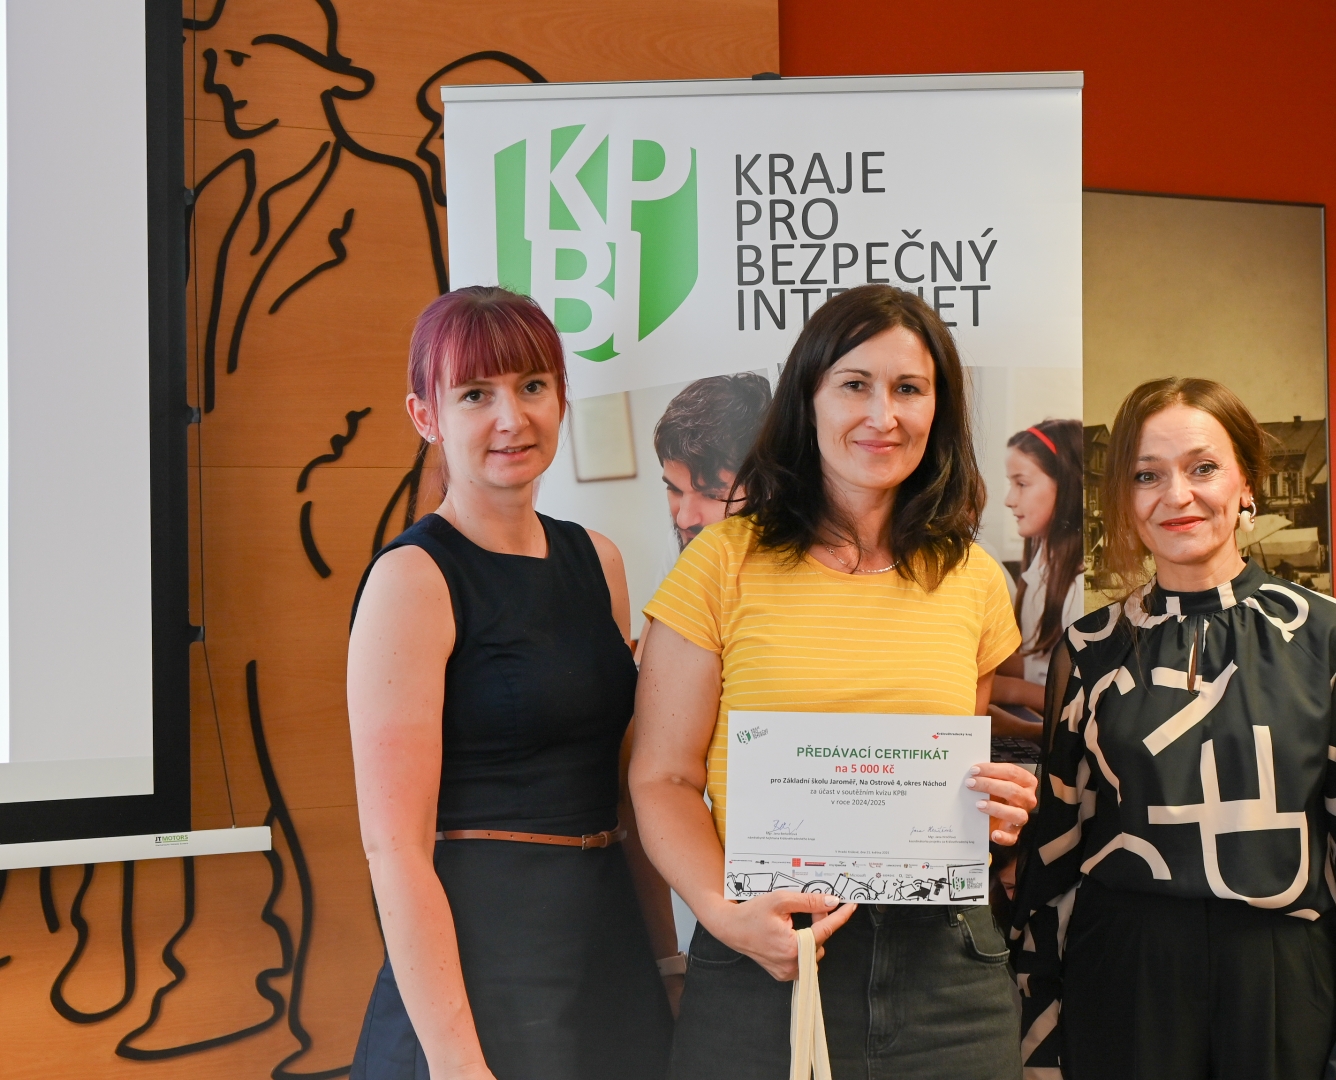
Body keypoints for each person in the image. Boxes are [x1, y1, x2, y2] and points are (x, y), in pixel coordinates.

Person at [629, 284, 1039, 1080]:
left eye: (909, 388)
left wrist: (995, 803)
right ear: (808, 399)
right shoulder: (721, 563)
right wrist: (724, 915)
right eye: (855, 384)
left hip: (947, 975)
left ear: (938, 410)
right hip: (764, 960)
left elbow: (958, 769)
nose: (883, 415)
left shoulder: (973, 578)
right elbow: (662, 777)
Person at [1013, 377, 1336, 1080]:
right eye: (1147, 475)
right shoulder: (1090, 649)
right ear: (1124, 498)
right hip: (1124, 981)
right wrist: (1041, 1035)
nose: (1177, 496)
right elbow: (1055, 851)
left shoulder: (1325, 636)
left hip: (1281, 979)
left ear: (1246, 483)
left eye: (1202, 467)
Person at [347, 287, 676, 1080]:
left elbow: (628, 788)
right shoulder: (412, 578)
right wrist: (456, 1061)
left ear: (561, 397)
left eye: (532, 386)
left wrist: (667, 963)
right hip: (481, 962)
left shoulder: (598, 560)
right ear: (425, 415)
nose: (512, 418)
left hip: (608, 946)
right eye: (474, 394)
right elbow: (394, 849)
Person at [990, 419, 1089, 746]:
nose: (1009, 499)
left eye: (1022, 484)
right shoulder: (1040, 569)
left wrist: (1013, 701)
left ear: (1067, 485)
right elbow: (1037, 664)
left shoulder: (1079, 589)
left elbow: (1089, 705)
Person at [655, 372, 772, 549]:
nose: (683, 521)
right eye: (675, 489)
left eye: (711, 495)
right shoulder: (681, 543)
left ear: (767, 490)